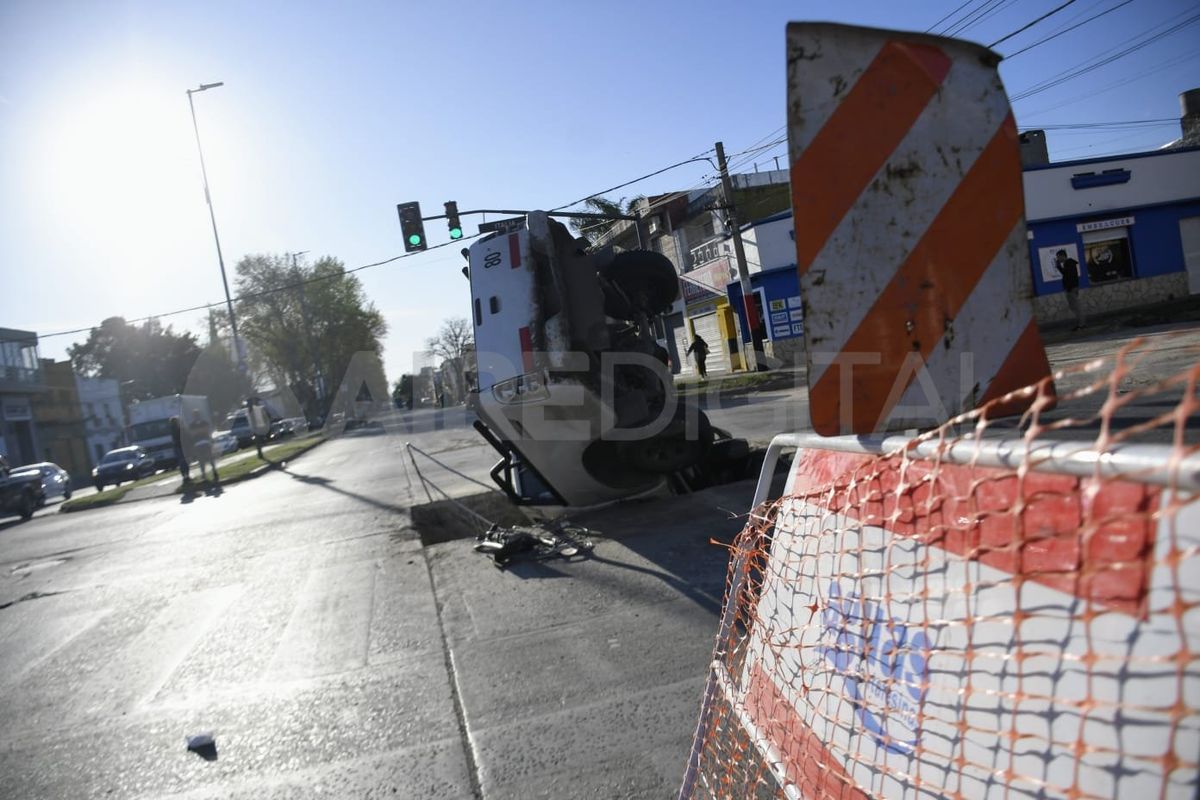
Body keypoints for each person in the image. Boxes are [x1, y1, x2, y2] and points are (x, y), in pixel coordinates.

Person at [1054, 249, 1085, 330]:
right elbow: (1066, 274)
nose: (1058, 259)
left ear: (1062, 256)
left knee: (1075, 306)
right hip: (1072, 288)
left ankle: (1081, 324)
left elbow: (1070, 276)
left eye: (1058, 257)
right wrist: (1059, 267)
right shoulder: (1068, 264)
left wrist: (1070, 288)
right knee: (1074, 306)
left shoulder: (1069, 263)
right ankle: (1080, 323)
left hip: (1071, 288)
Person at [188, 409, 218, 483]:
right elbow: (193, 433)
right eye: (195, 415)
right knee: (201, 460)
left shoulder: (202, 423)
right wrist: (201, 430)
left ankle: (213, 471)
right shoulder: (193, 424)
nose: (196, 416)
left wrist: (198, 431)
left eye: (196, 414)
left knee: (209, 458)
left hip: (205, 442)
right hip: (198, 444)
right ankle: (204, 474)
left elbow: (206, 431)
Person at [170, 416, 190, 483]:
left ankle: (185, 476)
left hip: (178, 447)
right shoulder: (177, 429)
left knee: (182, 462)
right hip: (180, 447)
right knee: (184, 461)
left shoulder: (173, 429)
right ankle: (186, 475)